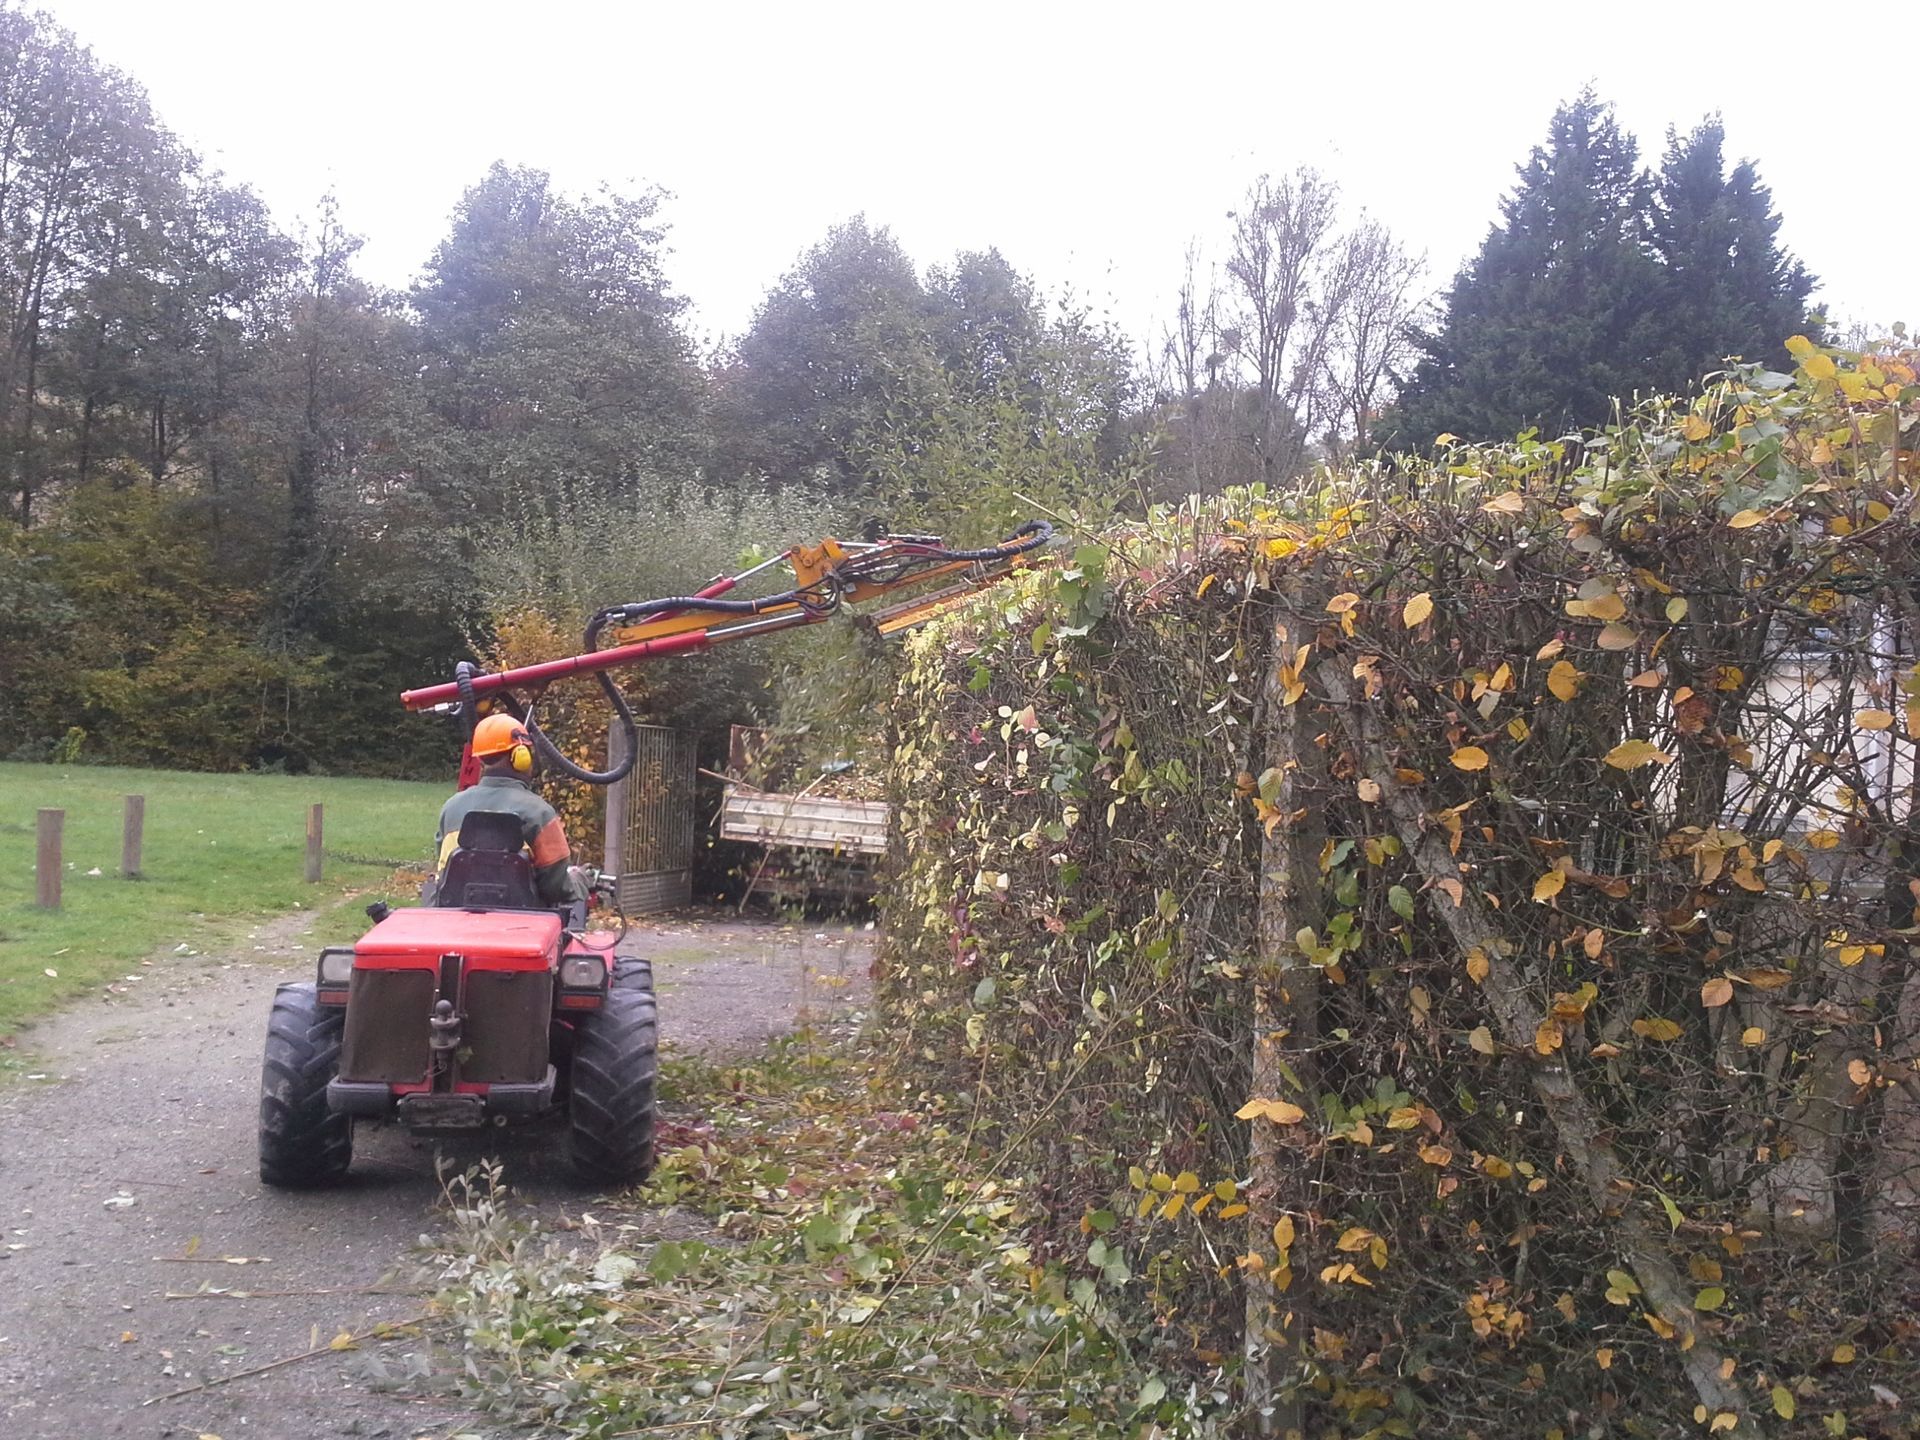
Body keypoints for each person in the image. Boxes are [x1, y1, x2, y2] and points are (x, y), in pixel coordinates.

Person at [435, 713, 585, 906]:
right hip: (524, 926)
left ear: (480, 760)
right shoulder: (540, 813)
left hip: (456, 923)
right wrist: (582, 879)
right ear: (520, 757)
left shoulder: (451, 808)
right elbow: (556, 887)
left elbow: (444, 872)